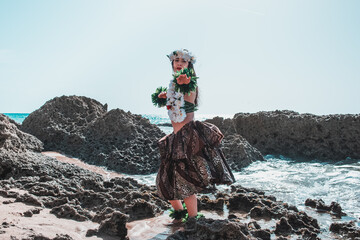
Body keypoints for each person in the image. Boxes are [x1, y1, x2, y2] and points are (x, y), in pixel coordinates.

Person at [155, 49, 235, 223]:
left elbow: (187, 94)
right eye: (176, 60)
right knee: (165, 180)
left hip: (187, 137)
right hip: (174, 137)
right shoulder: (173, 85)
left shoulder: (188, 82)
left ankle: (192, 220)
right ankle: (179, 214)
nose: (179, 63)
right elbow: (173, 104)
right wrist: (165, 98)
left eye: (183, 61)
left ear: (189, 65)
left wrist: (184, 83)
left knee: (186, 181)